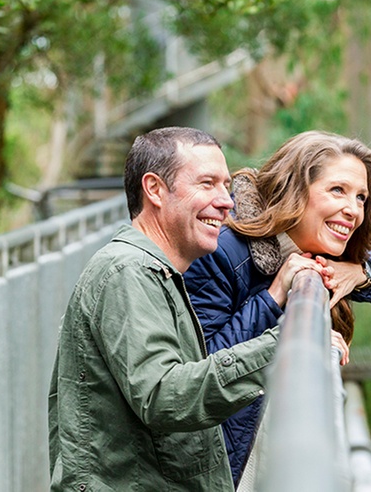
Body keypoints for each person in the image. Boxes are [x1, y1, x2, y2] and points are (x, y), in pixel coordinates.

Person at [48, 127, 290, 491]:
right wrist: (282, 347)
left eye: (226, 185)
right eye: (207, 184)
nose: (226, 201)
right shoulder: (127, 272)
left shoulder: (158, 272)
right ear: (155, 190)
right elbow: (162, 394)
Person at [184, 130, 371, 484]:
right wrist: (274, 297)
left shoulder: (320, 247)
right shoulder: (223, 250)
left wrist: (361, 272)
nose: (353, 210)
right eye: (338, 190)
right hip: (216, 464)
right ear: (295, 189)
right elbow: (203, 368)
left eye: (361, 197)